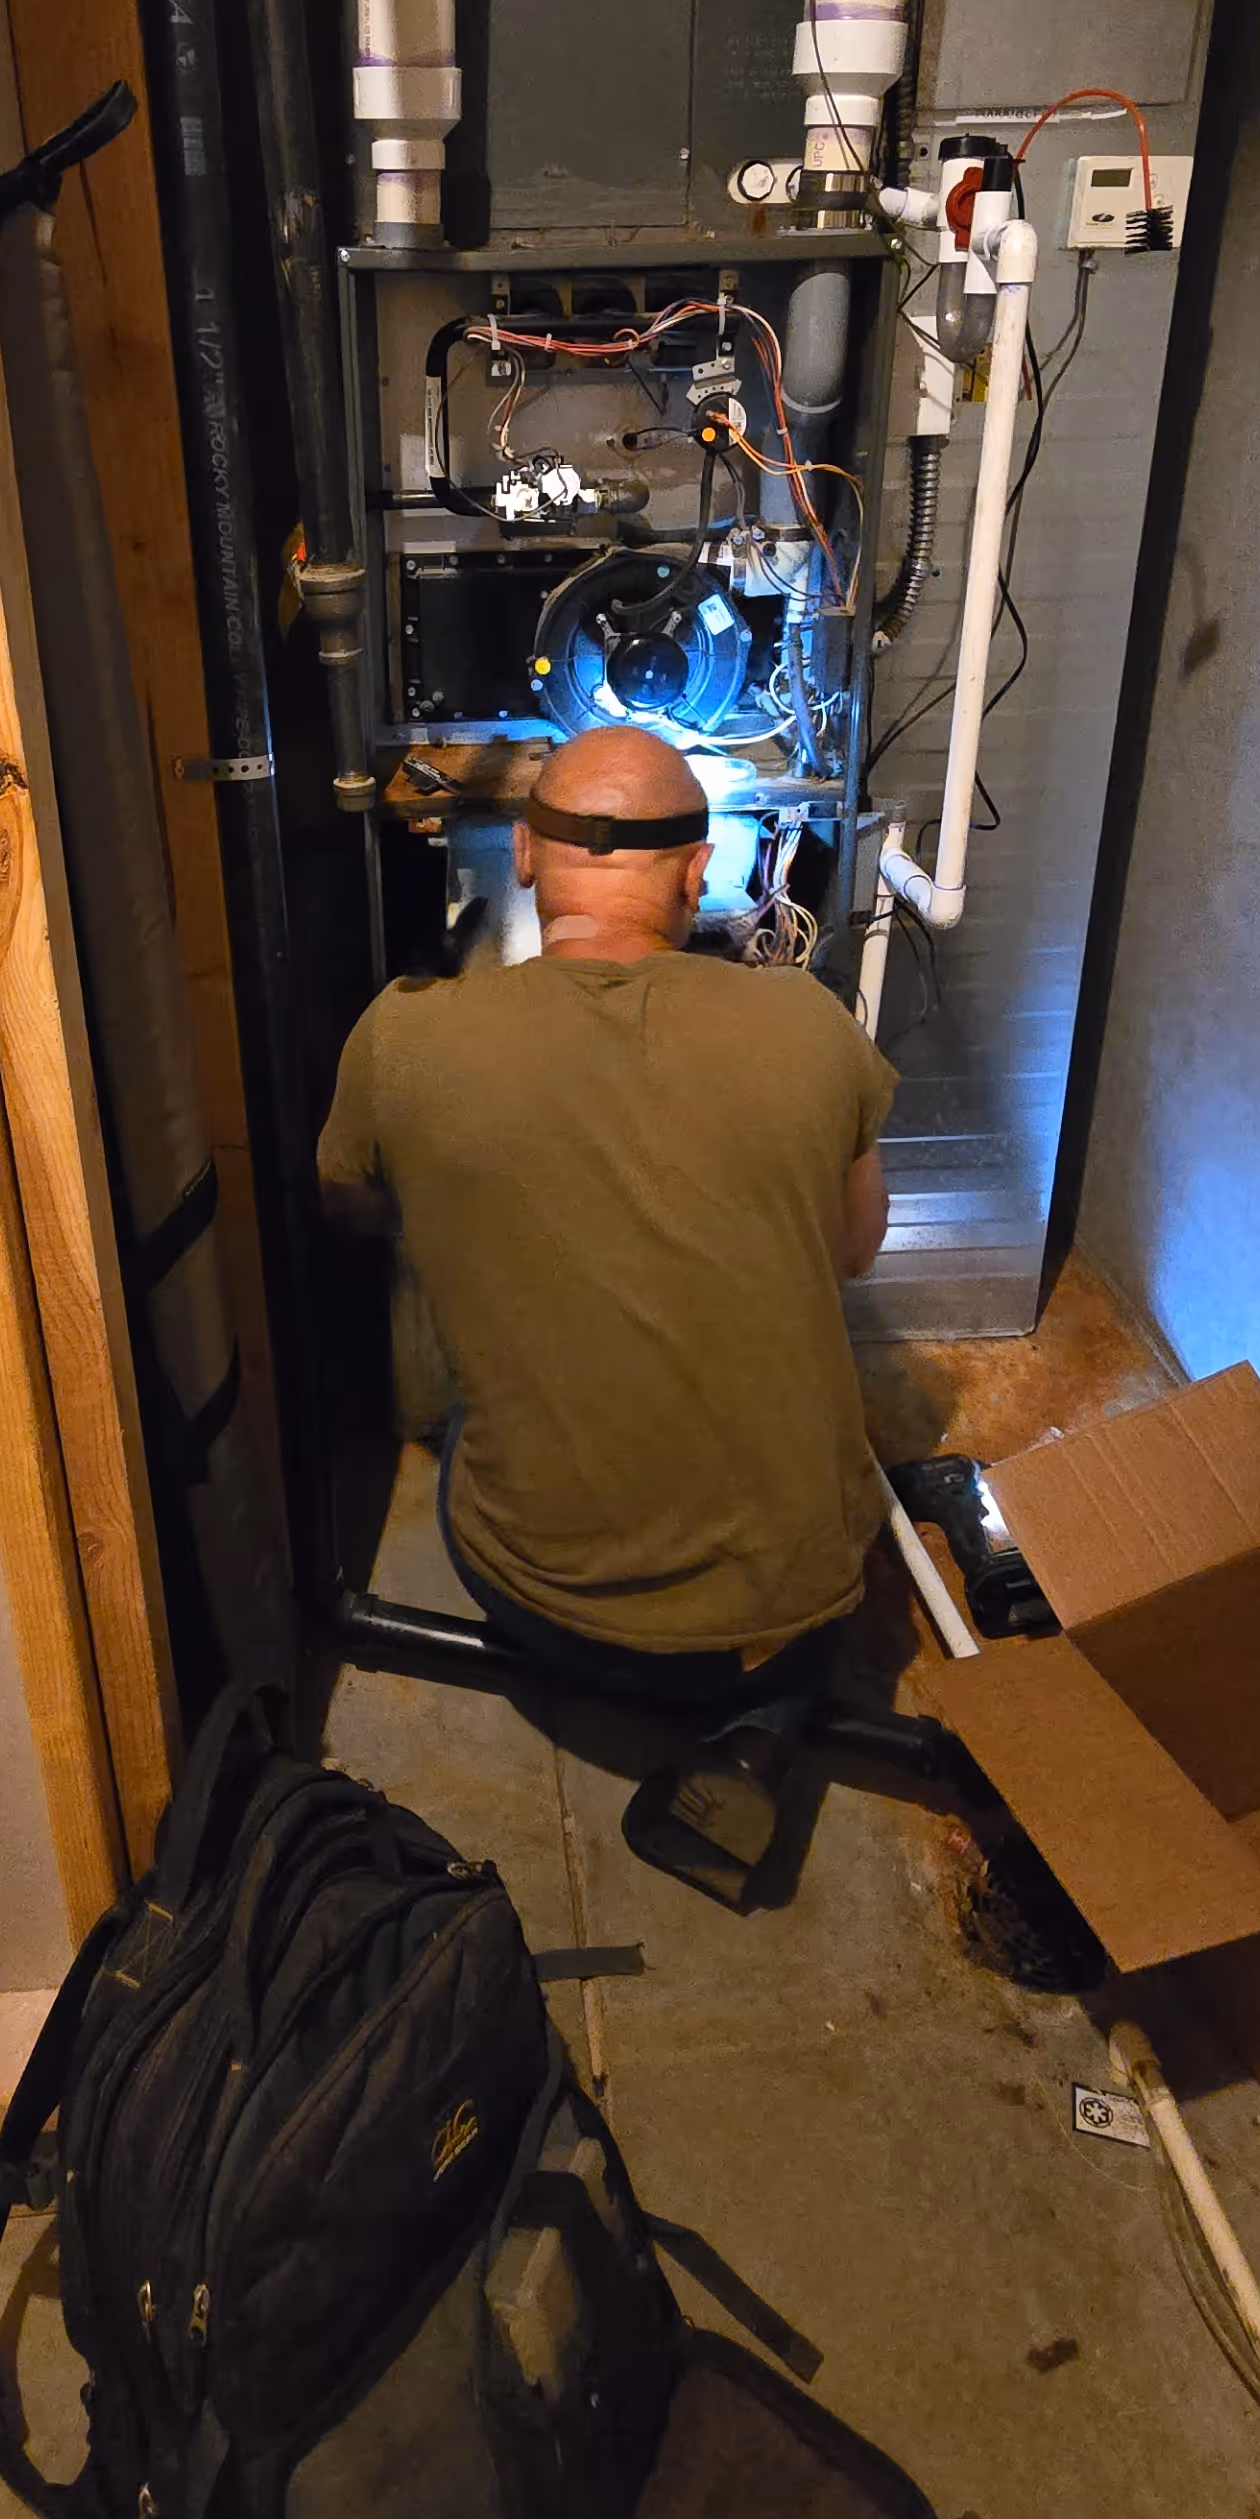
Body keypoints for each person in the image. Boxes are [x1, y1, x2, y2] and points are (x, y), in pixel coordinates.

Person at [318, 723, 896, 1903]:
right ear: (698, 871)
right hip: (789, 1619)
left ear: (527, 858)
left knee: (458, 1401)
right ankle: (767, 1722)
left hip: (543, 1612)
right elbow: (852, 1250)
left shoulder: (407, 1038)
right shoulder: (809, 1025)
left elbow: (351, 1210)